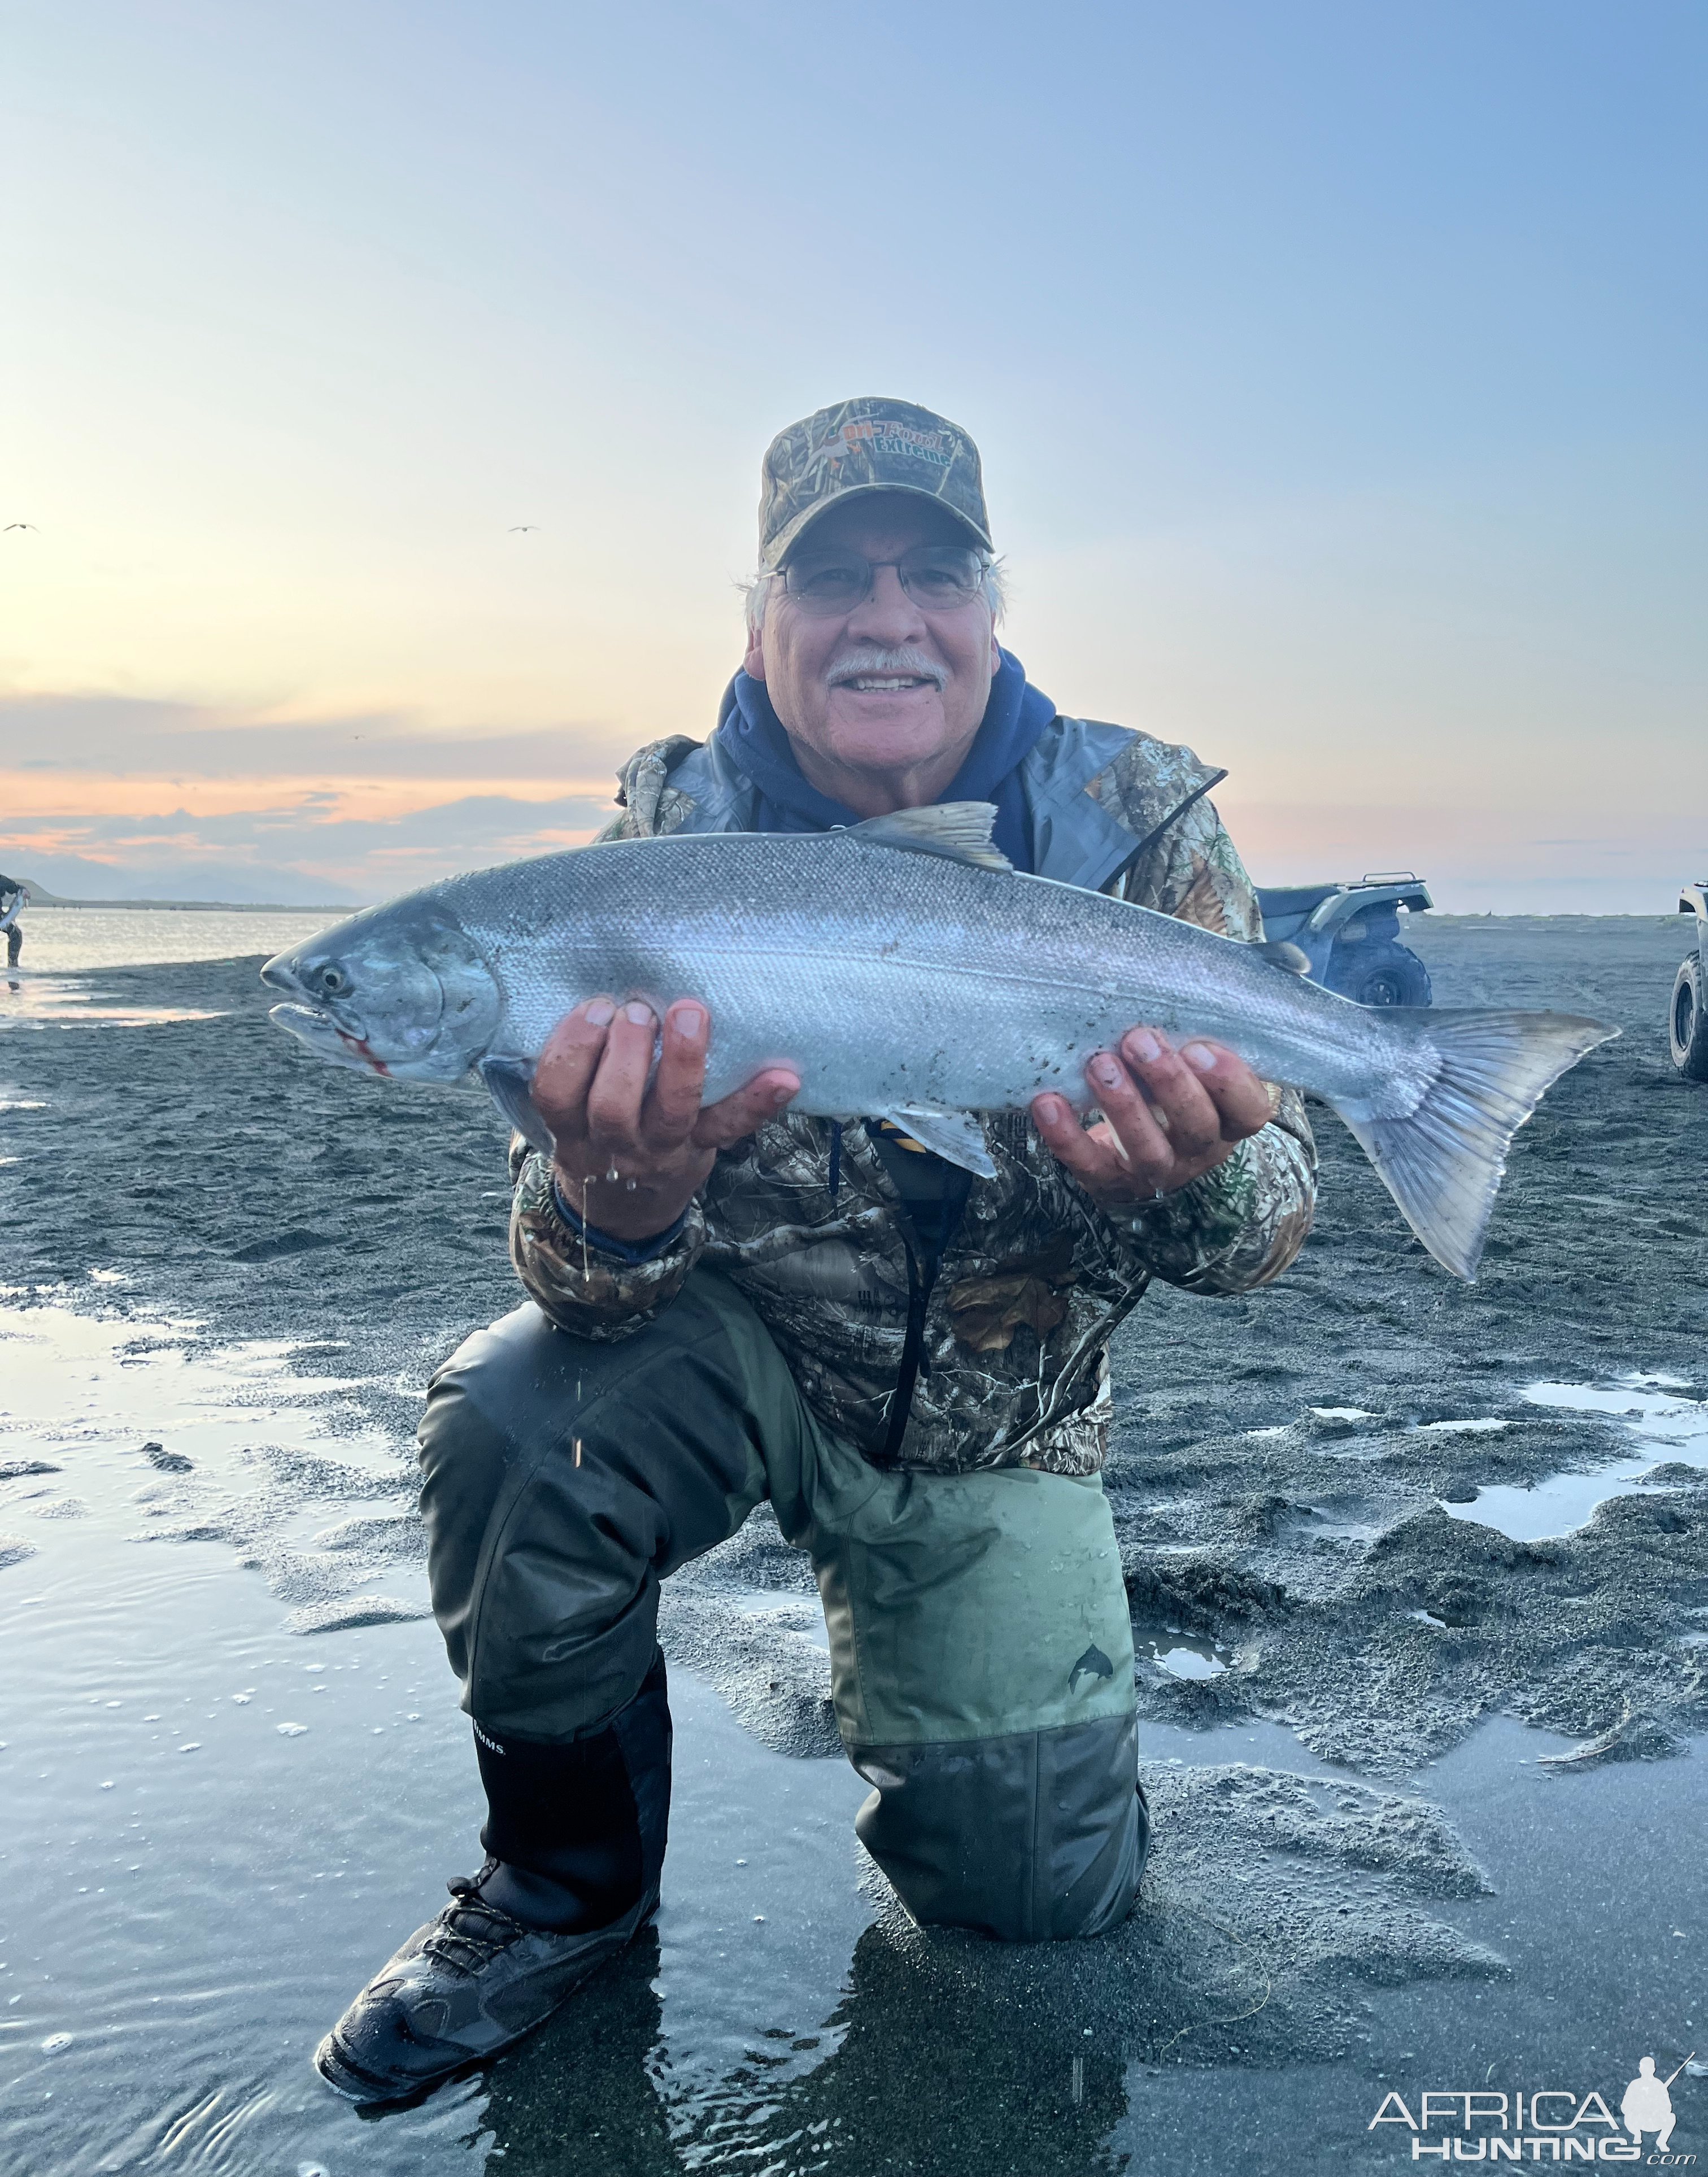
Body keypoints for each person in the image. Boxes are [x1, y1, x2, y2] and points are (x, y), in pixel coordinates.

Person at [315, 398, 1319, 2104]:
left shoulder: (1140, 824)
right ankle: (562, 1892)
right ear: (758, 622)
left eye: (930, 571)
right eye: (831, 578)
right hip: (739, 1365)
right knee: (506, 1418)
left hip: (1006, 1425)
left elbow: (1272, 1222)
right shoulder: (661, 837)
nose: (884, 615)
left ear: (991, 604)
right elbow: (569, 1280)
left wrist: (1181, 1183)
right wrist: (620, 1202)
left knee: (1032, 1919)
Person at [0, 874, 27, 967]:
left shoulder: (1, 880)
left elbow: (14, 888)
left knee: (16, 934)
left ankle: (13, 965)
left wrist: (22, 890)